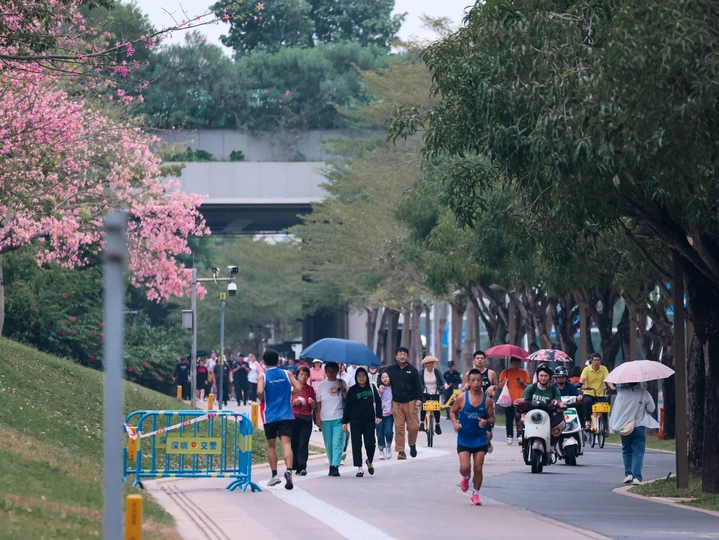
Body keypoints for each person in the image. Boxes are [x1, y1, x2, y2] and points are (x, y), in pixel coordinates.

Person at [257, 349, 302, 489]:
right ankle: (288, 470)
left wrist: (263, 398)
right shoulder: (287, 373)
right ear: (278, 360)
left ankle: (274, 475)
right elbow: (298, 387)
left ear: (263, 362)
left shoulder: (262, 376)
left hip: (270, 415)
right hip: (286, 414)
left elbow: (259, 391)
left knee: (271, 446)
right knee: (286, 444)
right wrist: (289, 393)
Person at [450, 369, 495, 506]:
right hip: (464, 437)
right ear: (468, 382)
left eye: (479, 380)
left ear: (482, 382)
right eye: (473, 380)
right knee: (465, 467)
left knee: (478, 468)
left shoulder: (487, 400)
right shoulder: (462, 398)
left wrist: (486, 422)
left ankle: (475, 494)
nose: (476, 383)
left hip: (480, 438)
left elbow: (492, 418)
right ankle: (466, 477)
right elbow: (452, 411)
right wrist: (455, 423)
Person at [609, 383, 659, 485]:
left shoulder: (622, 394)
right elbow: (652, 408)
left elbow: (616, 410)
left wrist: (614, 426)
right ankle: (637, 477)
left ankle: (628, 474)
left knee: (626, 450)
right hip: (639, 425)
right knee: (638, 451)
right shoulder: (644, 393)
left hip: (625, 426)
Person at [382, 346, 423, 459]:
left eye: (404, 354)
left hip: (411, 402)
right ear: (396, 356)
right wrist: (380, 385)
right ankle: (401, 451)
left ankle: (412, 444)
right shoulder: (390, 369)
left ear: (407, 356)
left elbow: (418, 386)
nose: (402, 356)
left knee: (413, 427)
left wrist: (419, 399)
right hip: (396, 402)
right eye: (400, 354)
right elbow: (381, 376)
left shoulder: (413, 370)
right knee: (399, 427)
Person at [342, 367, 383, 477]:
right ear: (356, 377)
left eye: (363, 375)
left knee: (370, 443)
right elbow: (348, 407)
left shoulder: (371, 387)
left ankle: (369, 461)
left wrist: (379, 416)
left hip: (369, 420)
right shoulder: (352, 390)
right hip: (355, 421)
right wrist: (344, 422)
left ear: (366, 376)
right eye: (359, 376)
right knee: (356, 443)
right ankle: (359, 467)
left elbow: (378, 402)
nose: (361, 378)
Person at [315, 362, 347, 476]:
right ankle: (331, 463)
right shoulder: (322, 385)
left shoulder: (342, 382)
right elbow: (318, 403)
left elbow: (347, 399)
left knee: (337, 442)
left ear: (337, 371)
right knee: (329, 444)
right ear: (325, 372)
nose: (331, 373)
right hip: (325, 418)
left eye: (333, 371)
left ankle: (335, 465)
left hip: (339, 417)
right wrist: (318, 417)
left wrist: (342, 389)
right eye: (328, 371)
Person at [291, 365, 317, 476]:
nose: (304, 377)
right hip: (294, 418)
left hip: (306, 418)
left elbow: (315, 406)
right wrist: (293, 403)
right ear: (297, 375)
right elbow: (286, 402)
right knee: (294, 442)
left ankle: (302, 466)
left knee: (303, 443)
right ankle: (294, 465)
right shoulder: (292, 388)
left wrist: (312, 403)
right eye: (301, 374)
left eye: (306, 375)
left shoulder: (310, 389)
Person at [498, 357, 531, 445]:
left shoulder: (524, 373)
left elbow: (528, 387)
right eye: (514, 363)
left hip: (520, 400)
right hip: (509, 400)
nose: (516, 365)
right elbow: (500, 386)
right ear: (511, 363)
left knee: (520, 419)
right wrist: (504, 381)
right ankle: (509, 436)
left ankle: (520, 435)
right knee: (509, 419)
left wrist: (521, 383)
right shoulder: (505, 372)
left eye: (518, 363)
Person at [580, 353, 615, 433]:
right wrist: (582, 386)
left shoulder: (604, 369)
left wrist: (611, 386)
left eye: (598, 360)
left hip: (600, 394)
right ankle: (588, 422)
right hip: (589, 393)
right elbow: (582, 380)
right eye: (595, 360)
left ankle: (605, 427)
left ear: (600, 361)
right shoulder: (586, 369)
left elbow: (608, 379)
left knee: (604, 407)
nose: (596, 362)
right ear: (591, 361)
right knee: (587, 402)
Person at [419, 356, 445, 435]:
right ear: (426, 364)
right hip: (424, 392)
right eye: (429, 363)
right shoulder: (421, 372)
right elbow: (418, 381)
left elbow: (442, 379)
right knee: (424, 406)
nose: (431, 364)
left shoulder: (436, 371)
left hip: (435, 392)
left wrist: (445, 384)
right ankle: (422, 423)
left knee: (436, 408)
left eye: (432, 363)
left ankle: (437, 424)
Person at [377, 371, 394, 460]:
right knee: (380, 433)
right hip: (379, 415)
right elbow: (376, 399)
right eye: (383, 378)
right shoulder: (379, 388)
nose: (385, 379)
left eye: (386, 377)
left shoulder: (393, 388)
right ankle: (381, 450)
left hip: (389, 414)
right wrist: (380, 391)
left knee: (389, 432)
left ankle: (388, 446)